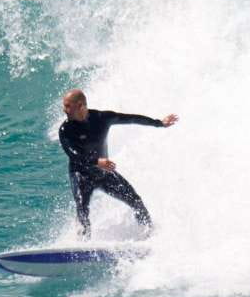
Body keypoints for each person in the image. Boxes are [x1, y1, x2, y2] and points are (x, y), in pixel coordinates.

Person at [58, 89, 178, 238]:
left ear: (81, 105)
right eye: (65, 106)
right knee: (82, 209)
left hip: (103, 173)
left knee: (135, 200)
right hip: (80, 175)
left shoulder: (101, 118)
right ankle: (83, 245)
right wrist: (96, 161)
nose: (64, 110)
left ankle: (149, 235)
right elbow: (73, 155)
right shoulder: (65, 129)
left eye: (68, 106)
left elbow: (132, 119)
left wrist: (159, 123)